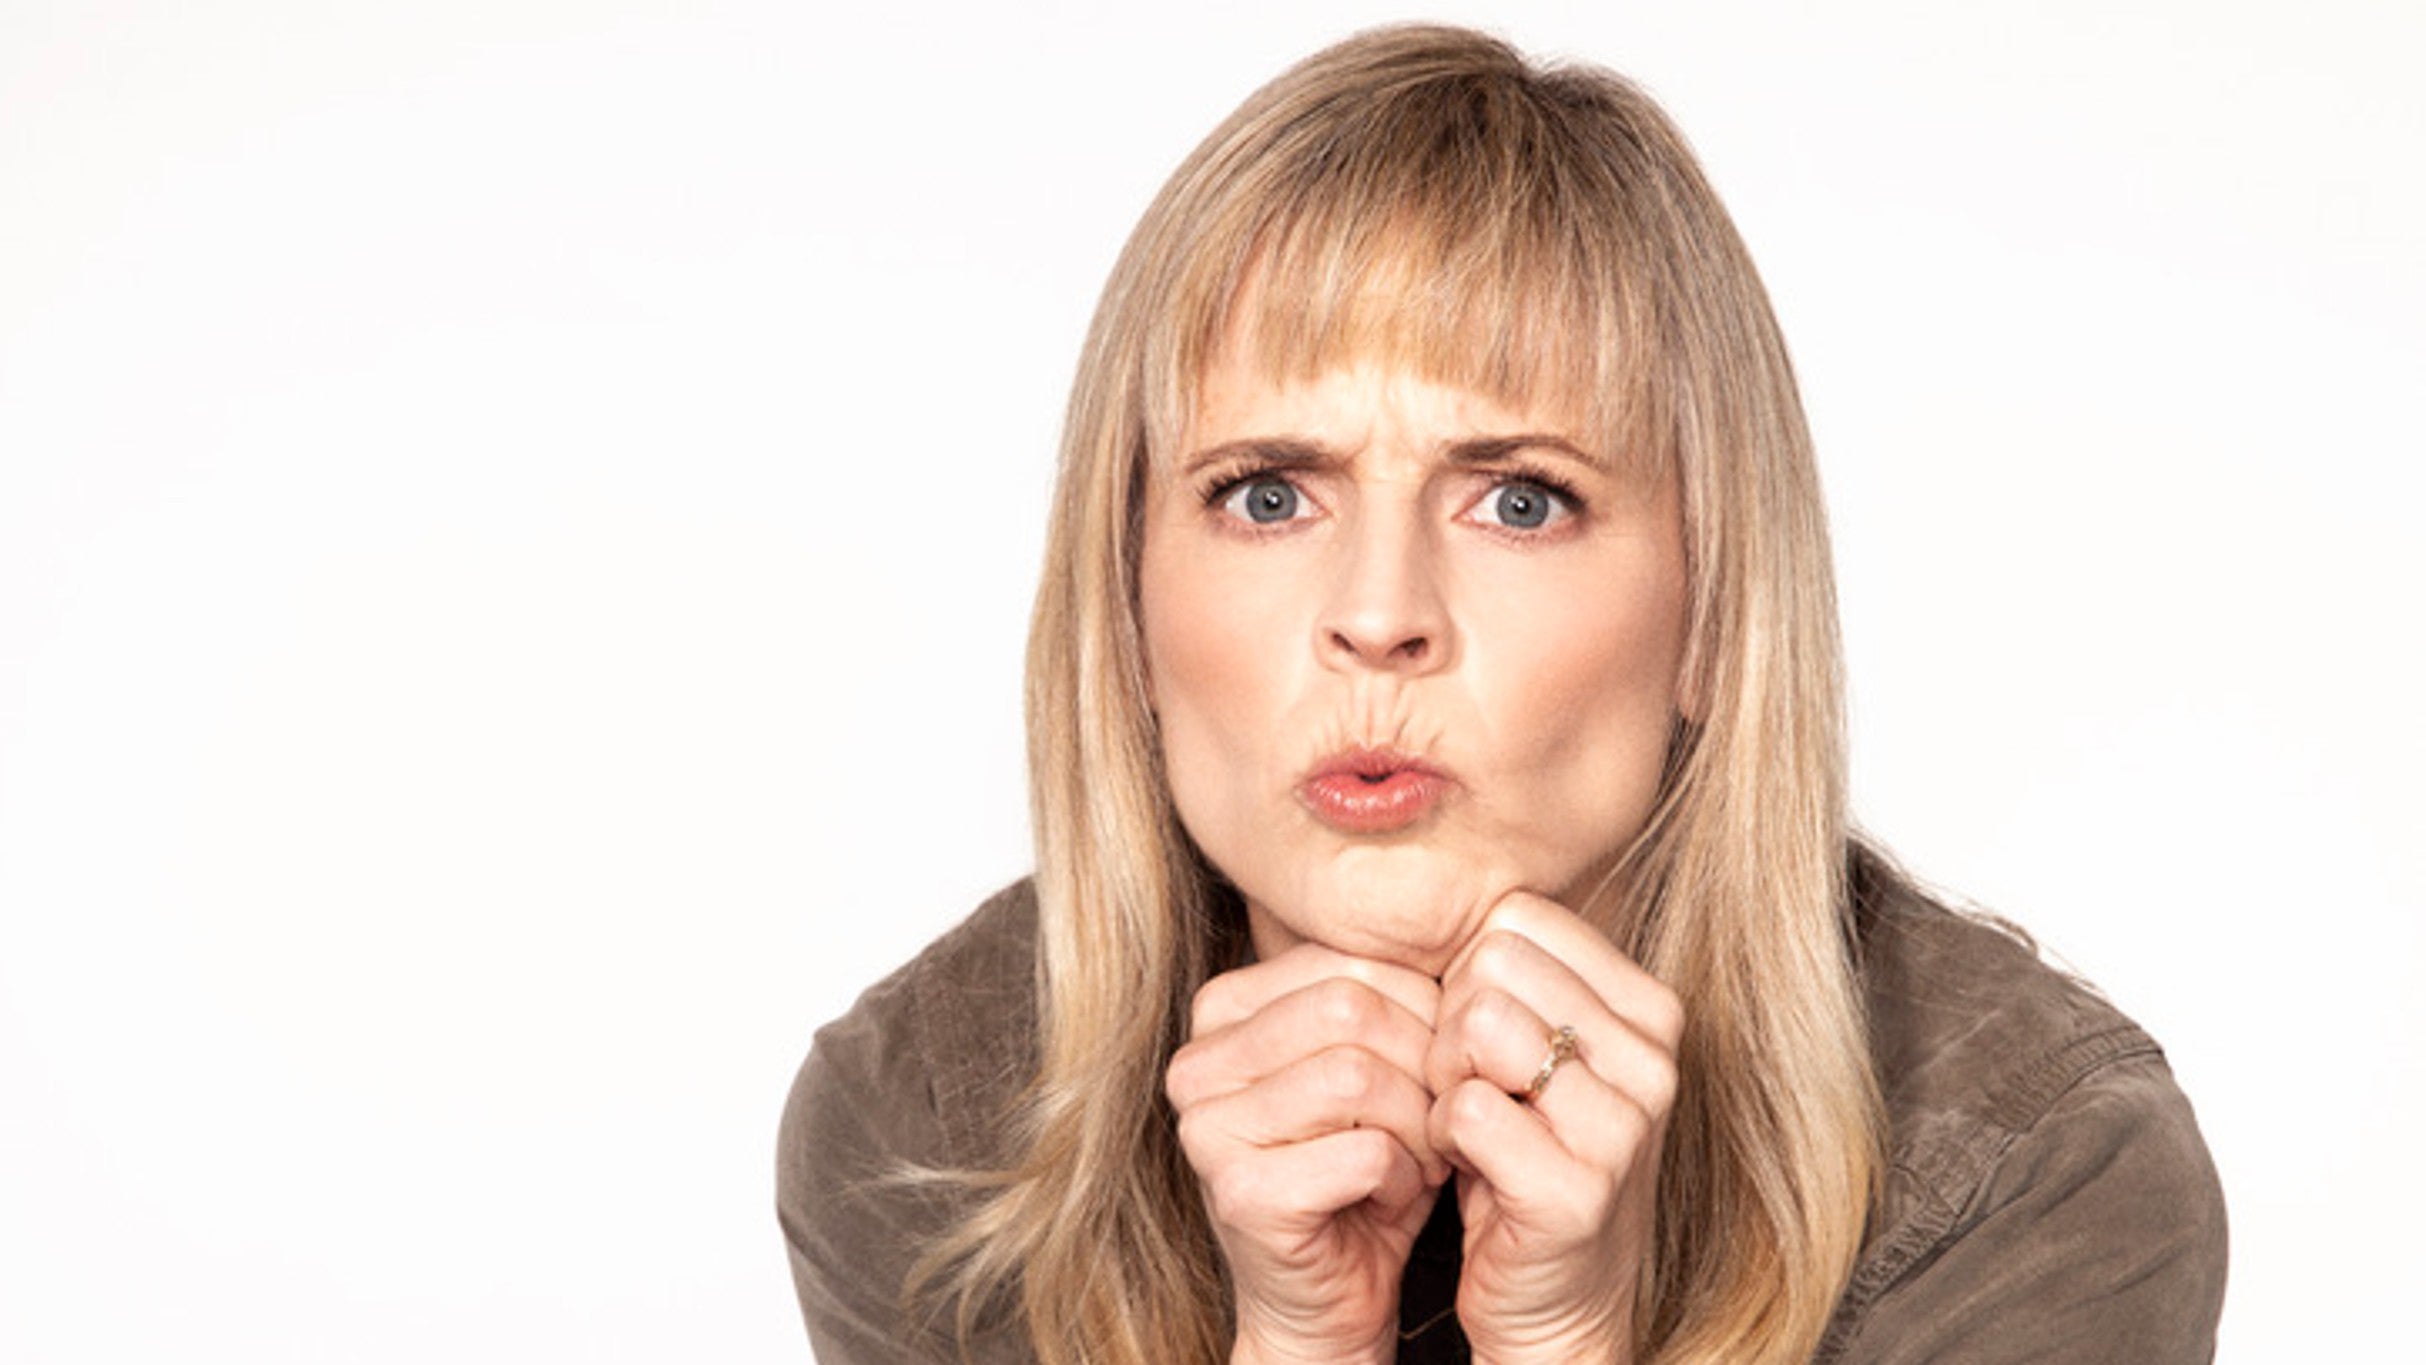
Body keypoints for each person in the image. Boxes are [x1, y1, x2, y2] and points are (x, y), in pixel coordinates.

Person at [777, 23, 2226, 1364]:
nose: (1378, 615)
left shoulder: (2033, 1170)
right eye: (1268, 493)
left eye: (1520, 500)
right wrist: (1297, 1344)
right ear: (1127, 601)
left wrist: (1566, 1340)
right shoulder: (928, 1121)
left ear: (1711, 616)